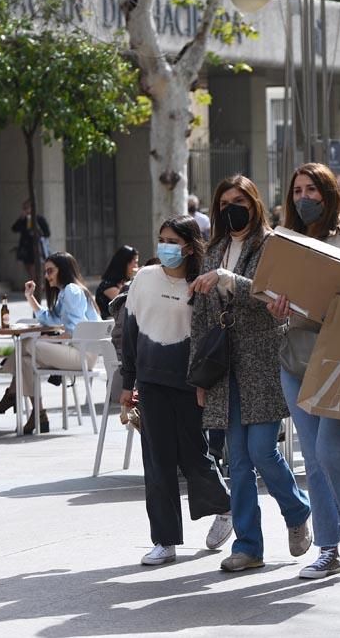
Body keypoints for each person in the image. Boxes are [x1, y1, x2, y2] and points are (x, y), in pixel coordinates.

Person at [189, 175, 312, 573]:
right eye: (224, 203)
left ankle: (296, 512)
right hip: (223, 364)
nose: (231, 208)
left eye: (239, 200)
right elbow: (201, 318)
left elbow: (273, 296)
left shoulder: (273, 244)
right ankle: (247, 545)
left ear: (254, 202)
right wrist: (199, 377)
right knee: (236, 460)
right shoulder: (214, 250)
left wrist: (230, 281)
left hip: (262, 358)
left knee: (261, 450)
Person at [268, 162, 340, 581]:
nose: (304, 197)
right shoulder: (286, 239)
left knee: (333, 451)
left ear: (329, 192)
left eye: (313, 190)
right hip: (296, 358)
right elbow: (272, 290)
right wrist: (274, 305)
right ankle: (328, 548)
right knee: (314, 460)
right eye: (297, 190)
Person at [120, 216, 232, 566]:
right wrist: (128, 384)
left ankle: (226, 508)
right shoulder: (144, 278)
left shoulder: (202, 284)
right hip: (150, 382)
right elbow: (129, 329)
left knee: (194, 456)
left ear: (188, 245)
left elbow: (211, 338)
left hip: (189, 384)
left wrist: (205, 384)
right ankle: (165, 540)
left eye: (172, 240)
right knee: (157, 463)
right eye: (161, 239)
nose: (165, 246)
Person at [0, 252, 99, 434]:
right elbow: (50, 319)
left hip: (83, 355)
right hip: (78, 352)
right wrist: (30, 297)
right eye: (46, 271)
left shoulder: (72, 290)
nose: (47, 276)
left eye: (50, 271)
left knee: (27, 344)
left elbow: (73, 331)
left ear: (62, 270)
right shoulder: (67, 292)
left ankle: (11, 392)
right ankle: (39, 414)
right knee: (25, 360)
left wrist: (45, 339)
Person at [11, 199, 50, 286]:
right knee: (28, 267)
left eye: (27, 208)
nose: (25, 210)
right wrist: (21, 218)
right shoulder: (23, 219)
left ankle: (39, 285)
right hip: (26, 247)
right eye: (24, 208)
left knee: (37, 268)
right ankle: (35, 284)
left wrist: (38, 233)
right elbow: (14, 228)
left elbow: (47, 233)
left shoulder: (39, 218)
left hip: (37, 247)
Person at [95, 246, 139, 319]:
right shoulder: (108, 286)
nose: (137, 266)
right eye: (135, 263)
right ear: (125, 263)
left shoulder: (124, 283)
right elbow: (131, 304)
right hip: (109, 327)